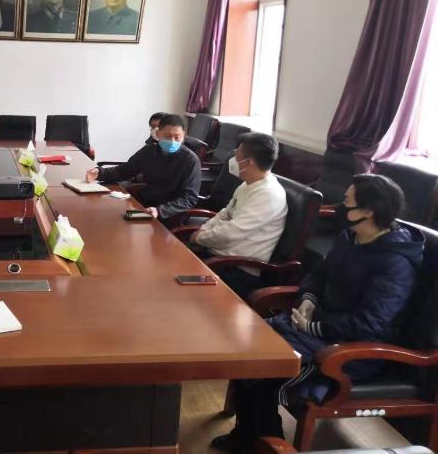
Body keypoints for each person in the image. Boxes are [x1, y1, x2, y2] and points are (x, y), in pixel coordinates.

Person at [211, 174, 424, 453]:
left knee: (265, 372)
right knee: (247, 348)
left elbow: (370, 323)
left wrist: (313, 327)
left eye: (347, 201)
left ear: (368, 211)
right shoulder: (351, 237)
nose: (340, 207)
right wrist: (308, 299)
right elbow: (318, 275)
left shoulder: (396, 262)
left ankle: (265, 443)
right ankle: (248, 436)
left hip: (351, 350)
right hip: (316, 329)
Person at [187, 132, 288, 299]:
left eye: (237, 156)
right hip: (217, 255)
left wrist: (199, 238)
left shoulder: (269, 195)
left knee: (182, 286)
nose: (233, 160)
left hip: (237, 269)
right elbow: (225, 213)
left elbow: (231, 234)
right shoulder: (247, 185)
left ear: (249, 162)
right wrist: (203, 230)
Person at [84, 113, 200, 223]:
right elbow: (125, 170)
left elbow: (189, 198)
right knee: (103, 216)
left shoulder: (190, 160)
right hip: (145, 205)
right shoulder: (149, 151)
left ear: (184, 136)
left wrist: (160, 211)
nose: (172, 141)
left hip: (170, 214)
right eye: (167, 136)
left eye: (177, 137)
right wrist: (100, 173)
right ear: (158, 134)